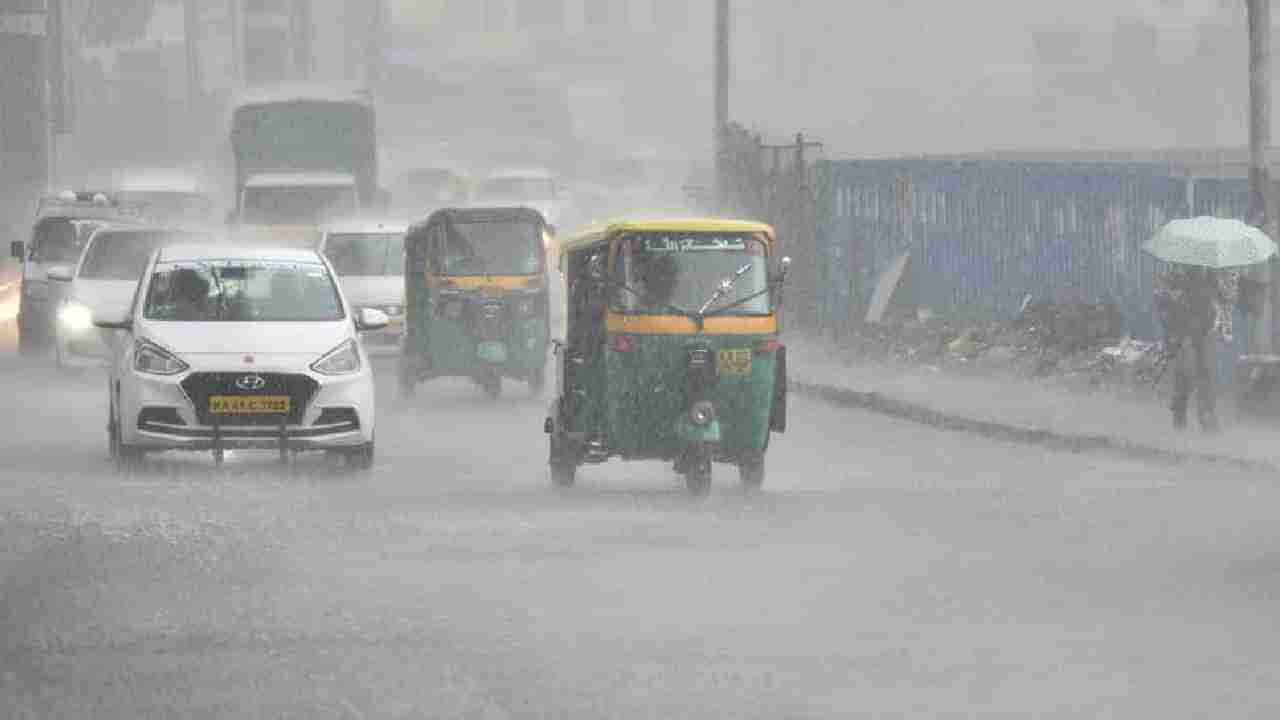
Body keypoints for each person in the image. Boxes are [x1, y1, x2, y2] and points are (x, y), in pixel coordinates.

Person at [1154, 265, 1237, 432]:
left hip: (1205, 331)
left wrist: (1228, 294)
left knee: (1207, 374)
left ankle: (1207, 418)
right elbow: (1162, 300)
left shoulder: (1211, 275)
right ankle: (1179, 414)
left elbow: (1225, 297)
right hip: (1184, 333)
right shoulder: (1177, 274)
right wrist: (1173, 300)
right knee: (1185, 375)